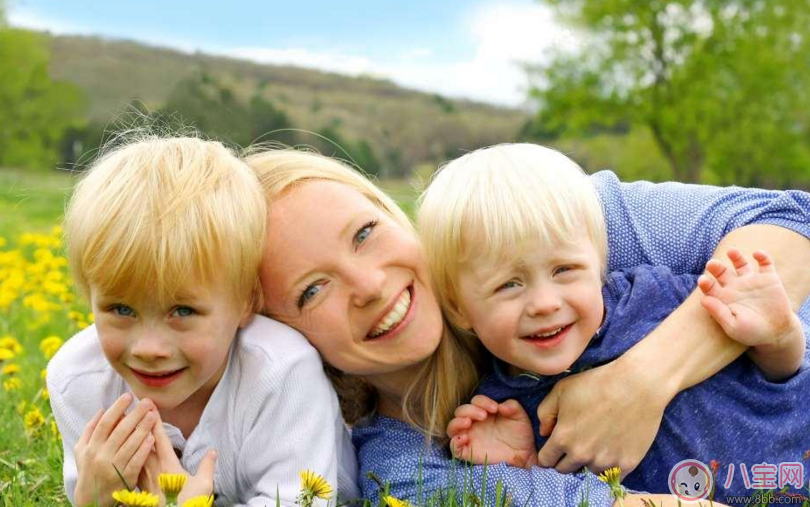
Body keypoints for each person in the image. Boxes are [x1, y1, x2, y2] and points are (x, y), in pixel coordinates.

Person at [246, 147, 810, 507]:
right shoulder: (404, 471)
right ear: (279, 337)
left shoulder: (533, 220)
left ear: (394, 214)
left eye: (365, 232)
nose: (367, 286)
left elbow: (790, 222)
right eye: (312, 289)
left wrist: (643, 380)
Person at [418, 144, 808, 501]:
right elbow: (585, 489)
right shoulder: (503, 409)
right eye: (509, 284)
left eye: (564, 269)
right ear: (459, 310)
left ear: (600, 263)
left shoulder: (655, 297)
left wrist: (779, 337)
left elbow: (779, 373)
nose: (544, 303)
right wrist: (526, 460)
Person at [48, 136, 357, 507]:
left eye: (183, 311)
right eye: (121, 309)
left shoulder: (281, 373)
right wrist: (92, 499)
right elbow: (94, 495)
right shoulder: (78, 380)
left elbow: (302, 501)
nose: (149, 349)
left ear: (246, 302)